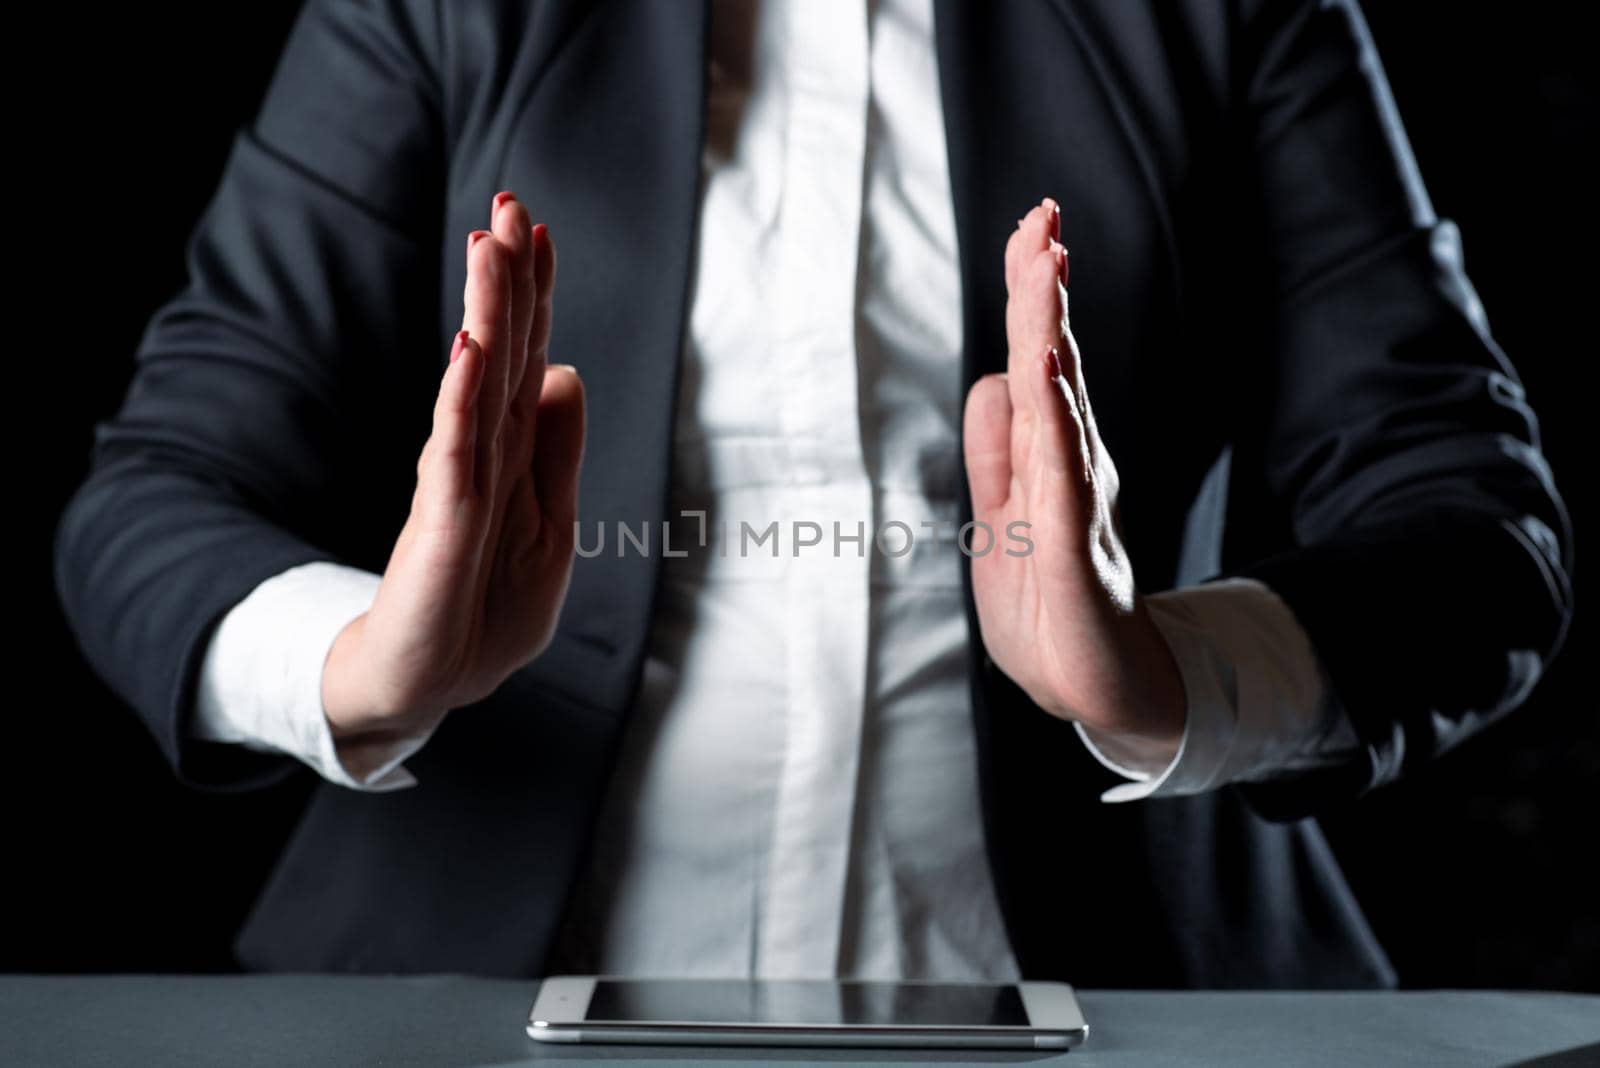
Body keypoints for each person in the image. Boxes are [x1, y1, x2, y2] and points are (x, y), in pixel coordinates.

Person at [54, 0, 1572, 987]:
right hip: (460, 990)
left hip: (1127, 994)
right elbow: (152, 496)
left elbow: (1477, 523)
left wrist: (1165, 670)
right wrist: (370, 662)